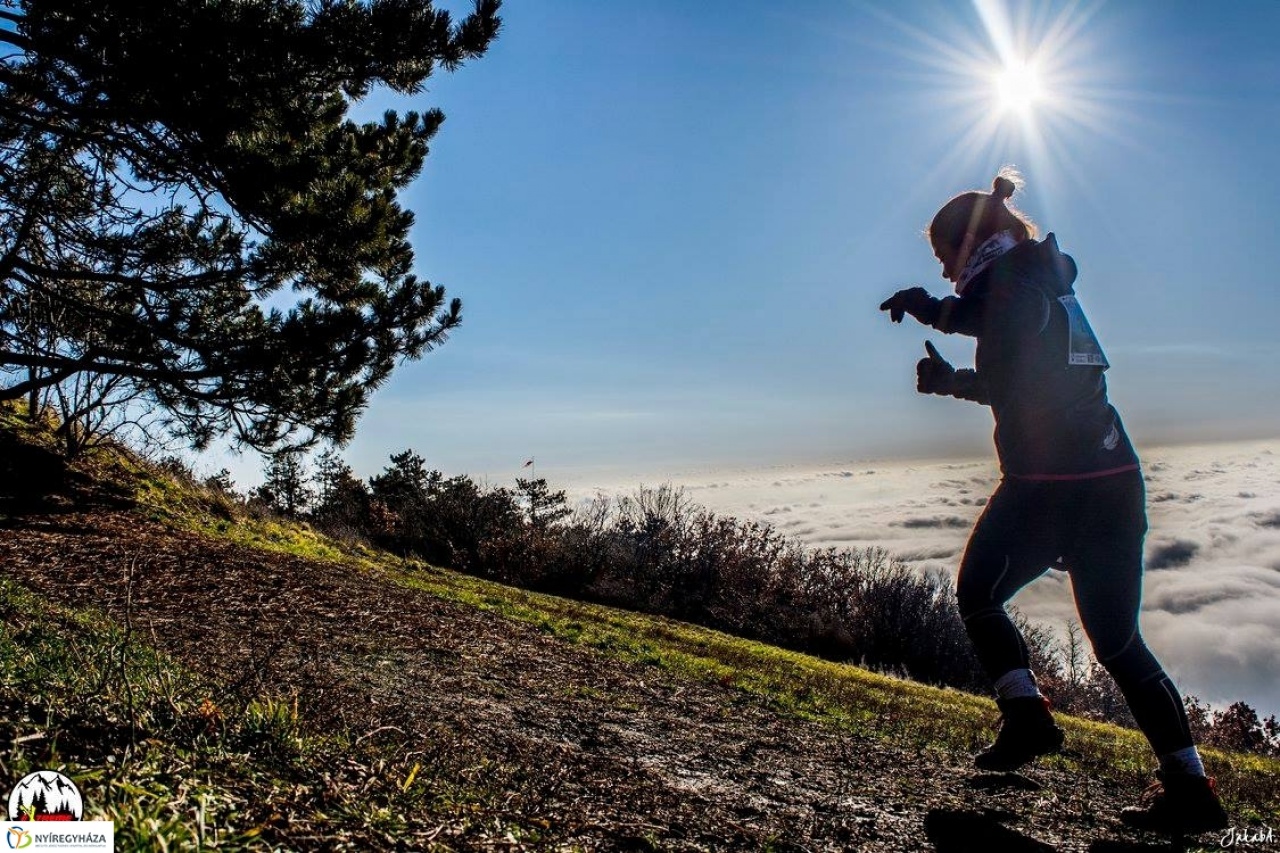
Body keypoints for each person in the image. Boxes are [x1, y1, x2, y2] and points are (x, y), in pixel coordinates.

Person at [879, 172, 1228, 836]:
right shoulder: (1041, 280)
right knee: (1119, 642)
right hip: (1110, 477)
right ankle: (1190, 786)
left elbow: (996, 317)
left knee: (979, 592)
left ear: (974, 243)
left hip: (1052, 484)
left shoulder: (1019, 285)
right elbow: (1019, 380)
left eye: (943, 255)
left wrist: (930, 308)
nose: (944, 270)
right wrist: (951, 379)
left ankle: (1029, 718)